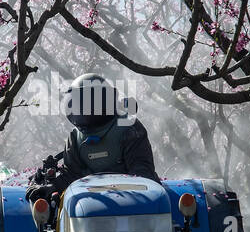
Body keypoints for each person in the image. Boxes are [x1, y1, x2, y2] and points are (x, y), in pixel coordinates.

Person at [27, 73, 159, 203]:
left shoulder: (128, 128)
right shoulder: (75, 137)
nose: (83, 109)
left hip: (135, 203)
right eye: (78, 103)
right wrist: (51, 187)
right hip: (91, 207)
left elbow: (143, 174)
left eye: (88, 102)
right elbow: (71, 175)